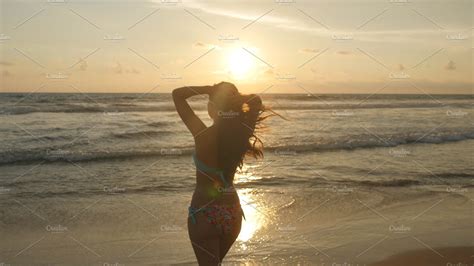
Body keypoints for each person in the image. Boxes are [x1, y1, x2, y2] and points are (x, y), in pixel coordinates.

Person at [172, 82, 269, 265]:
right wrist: (229, 96)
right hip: (232, 213)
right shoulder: (240, 135)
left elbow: (177, 94)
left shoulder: (202, 135)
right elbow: (256, 100)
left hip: (204, 212)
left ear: (212, 107)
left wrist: (207, 88)